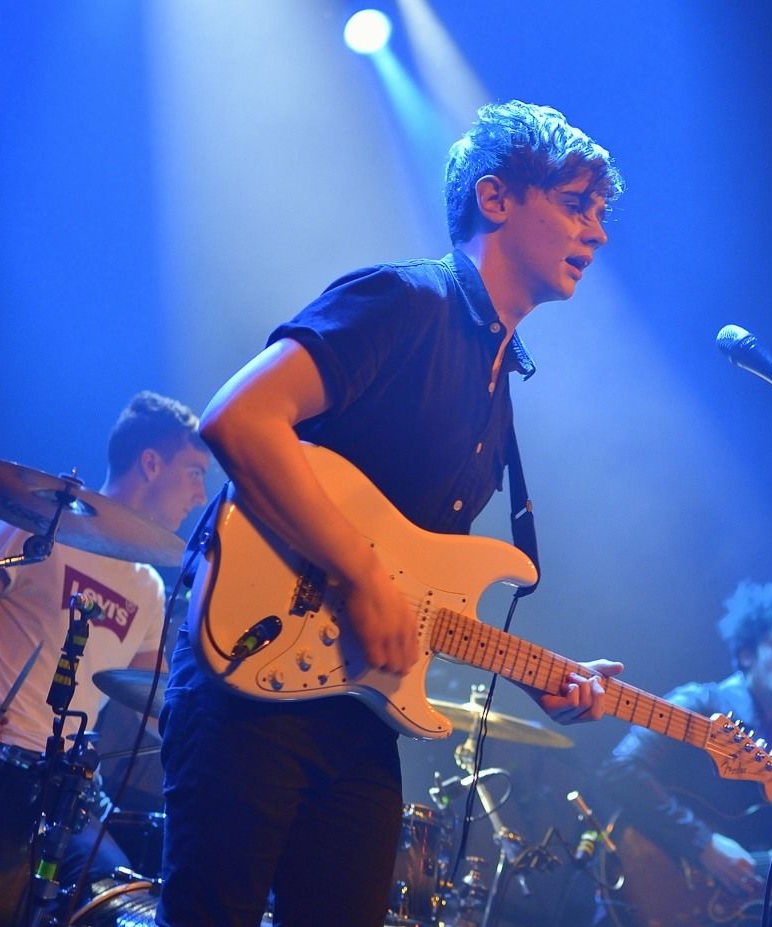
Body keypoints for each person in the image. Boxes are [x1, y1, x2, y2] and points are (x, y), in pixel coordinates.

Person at [157, 100, 627, 927]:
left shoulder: (499, 387)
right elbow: (238, 417)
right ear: (496, 198)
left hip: (353, 711)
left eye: (600, 213)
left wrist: (541, 675)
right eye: (576, 203)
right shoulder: (406, 301)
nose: (597, 232)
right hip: (249, 680)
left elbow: (419, 580)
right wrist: (360, 573)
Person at [0, 390, 210, 882]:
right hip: (1, 760)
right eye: (196, 474)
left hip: (66, 787)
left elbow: (157, 700)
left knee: (116, 894)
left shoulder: (147, 585)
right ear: (151, 464)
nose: (201, 496)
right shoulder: (43, 527)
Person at [597, 580, 772, 908]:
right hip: (645, 884)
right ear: (747, 652)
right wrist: (703, 844)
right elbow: (619, 770)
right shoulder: (700, 703)